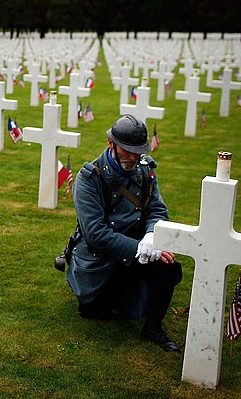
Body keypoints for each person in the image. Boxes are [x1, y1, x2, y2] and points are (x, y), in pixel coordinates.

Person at [65, 114, 183, 352]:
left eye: (138, 151)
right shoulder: (89, 178)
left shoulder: (145, 171)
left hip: (134, 252)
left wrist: (151, 236)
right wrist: (137, 248)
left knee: (168, 268)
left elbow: (157, 209)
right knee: (96, 313)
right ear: (111, 145)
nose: (134, 157)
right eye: (128, 150)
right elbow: (95, 233)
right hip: (101, 258)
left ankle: (154, 328)